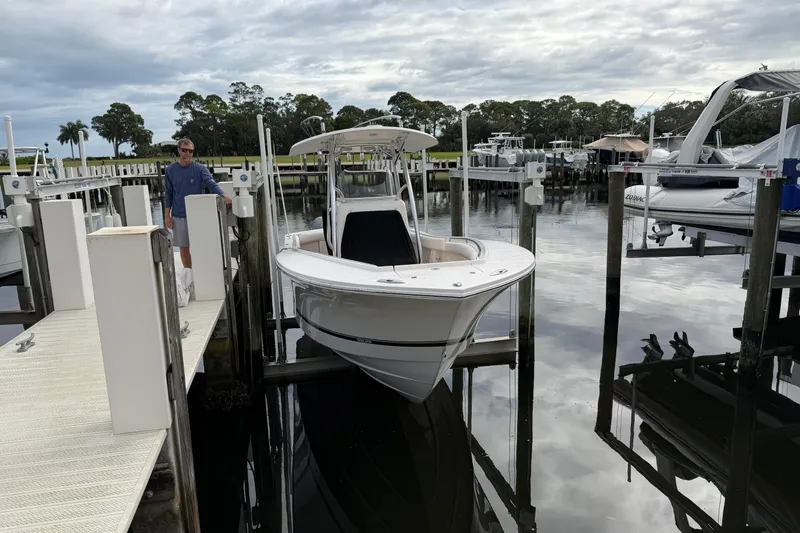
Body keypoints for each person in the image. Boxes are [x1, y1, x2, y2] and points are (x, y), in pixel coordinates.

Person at [164, 138, 231, 268]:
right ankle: (189, 274)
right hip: (179, 214)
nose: (188, 153)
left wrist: (223, 195)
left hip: (197, 214)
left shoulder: (200, 169)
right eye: (185, 150)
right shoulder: (170, 170)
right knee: (184, 247)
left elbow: (211, 183)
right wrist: (167, 215)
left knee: (200, 245)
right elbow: (169, 193)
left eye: (191, 151)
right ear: (179, 150)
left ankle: (202, 271)